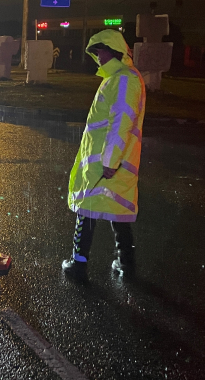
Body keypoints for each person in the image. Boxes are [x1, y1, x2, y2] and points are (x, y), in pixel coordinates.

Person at [62, 29, 146, 281]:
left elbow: (120, 121)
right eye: (95, 52)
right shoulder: (123, 78)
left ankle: (78, 265)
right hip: (114, 161)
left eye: (101, 51)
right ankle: (126, 263)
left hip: (105, 162)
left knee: (87, 210)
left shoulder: (122, 80)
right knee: (116, 212)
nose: (97, 57)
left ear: (115, 51)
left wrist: (110, 161)